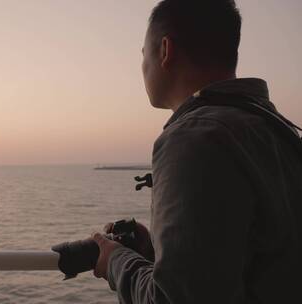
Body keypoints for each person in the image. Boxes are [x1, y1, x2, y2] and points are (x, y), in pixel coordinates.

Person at [91, 0, 302, 303]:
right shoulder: (273, 129)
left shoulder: (195, 138)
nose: (142, 67)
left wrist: (114, 261)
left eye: (143, 55)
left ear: (166, 50)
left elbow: (170, 299)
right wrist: (155, 255)